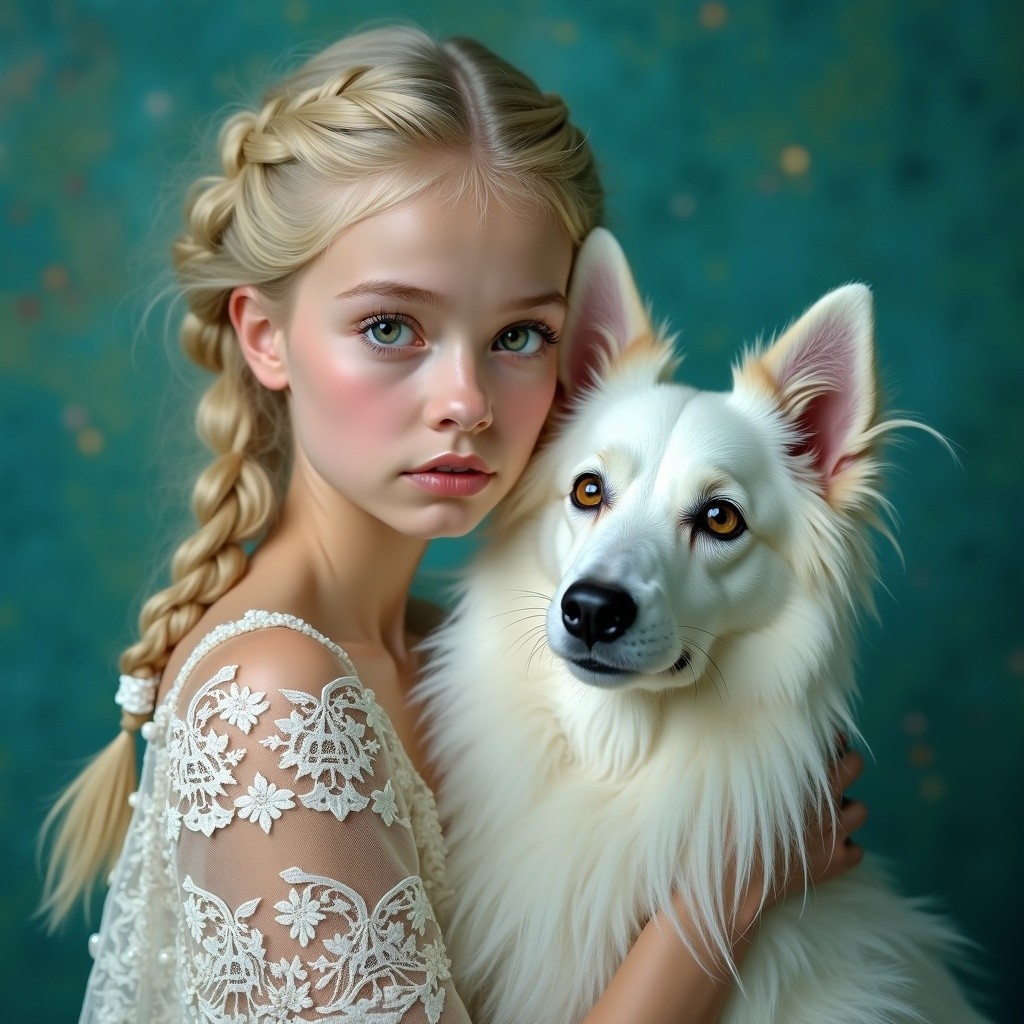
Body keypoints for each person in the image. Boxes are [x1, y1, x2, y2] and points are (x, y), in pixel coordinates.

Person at [40, 24, 867, 1023]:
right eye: (391, 326)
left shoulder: (443, 656)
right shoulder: (277, 696)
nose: (466, 399)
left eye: (519, 335)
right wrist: (721, 903)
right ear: (265, 337)